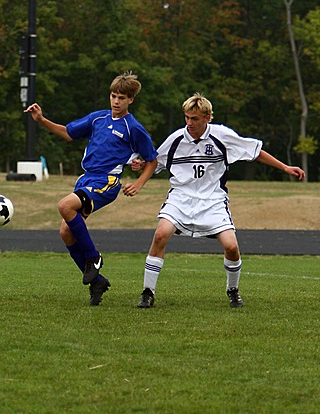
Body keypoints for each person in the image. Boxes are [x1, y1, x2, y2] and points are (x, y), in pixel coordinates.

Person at [136, 92, 305, 309]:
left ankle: (232, 290)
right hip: (180, 198)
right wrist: (141, 167)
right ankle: (147, 292)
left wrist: (284, 167)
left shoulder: (221, 135)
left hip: (213, 201)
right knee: (160, 235)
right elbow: (155, 162)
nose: (189, 123)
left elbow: (254, 152)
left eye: (194, 119)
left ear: (207, 118)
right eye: (186, 118)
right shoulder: (177, 139)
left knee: (231, 246)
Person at [25, 71, 158, 306]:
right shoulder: (98, 119)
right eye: (113, 96)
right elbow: (67, 133)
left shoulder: (133, 128)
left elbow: (152, 160)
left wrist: (138, 184)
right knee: (66, 233)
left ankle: (93, 259)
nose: (116, 101)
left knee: (64, 205)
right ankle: (96, 281)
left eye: (122, 98)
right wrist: (41, 120)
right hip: (86, 180)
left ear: (131, 100)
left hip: (106, 182)